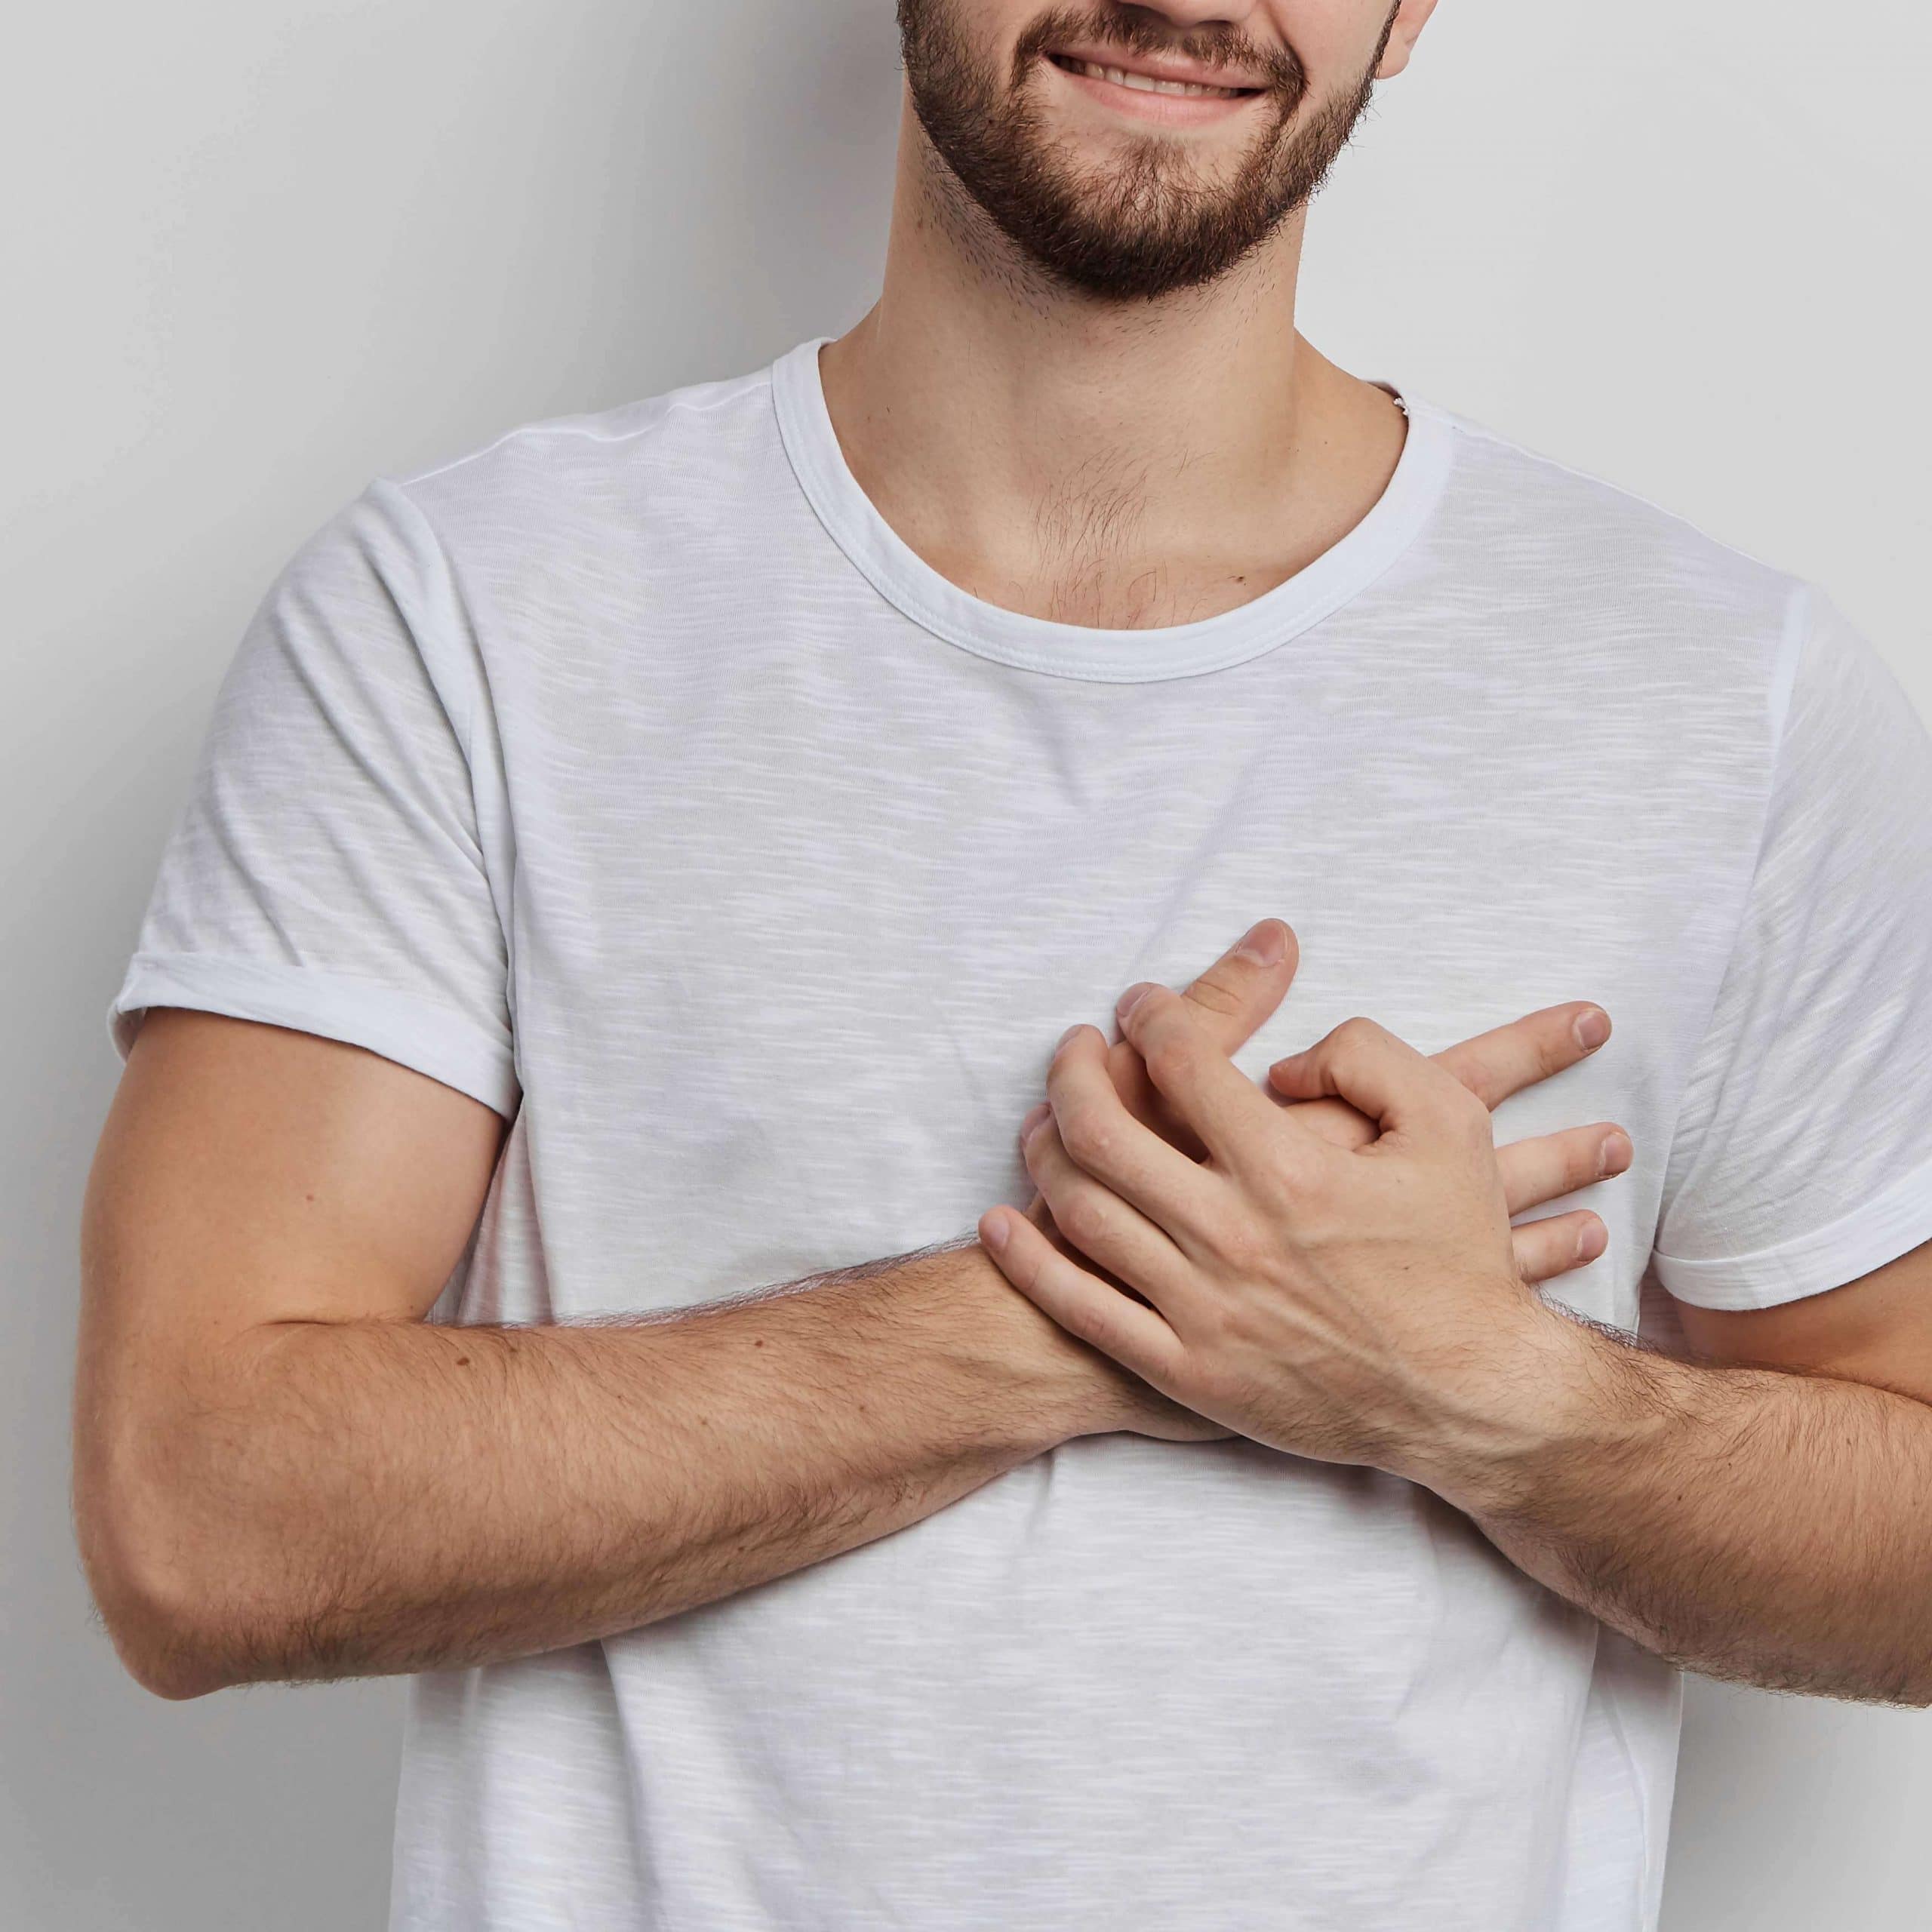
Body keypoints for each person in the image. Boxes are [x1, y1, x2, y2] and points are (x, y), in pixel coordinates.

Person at [74, 1, 1932, 1927]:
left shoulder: (1720, 692)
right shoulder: (467, 617)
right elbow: (199, 1514)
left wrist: (1475, 1388)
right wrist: (1083, 1314)